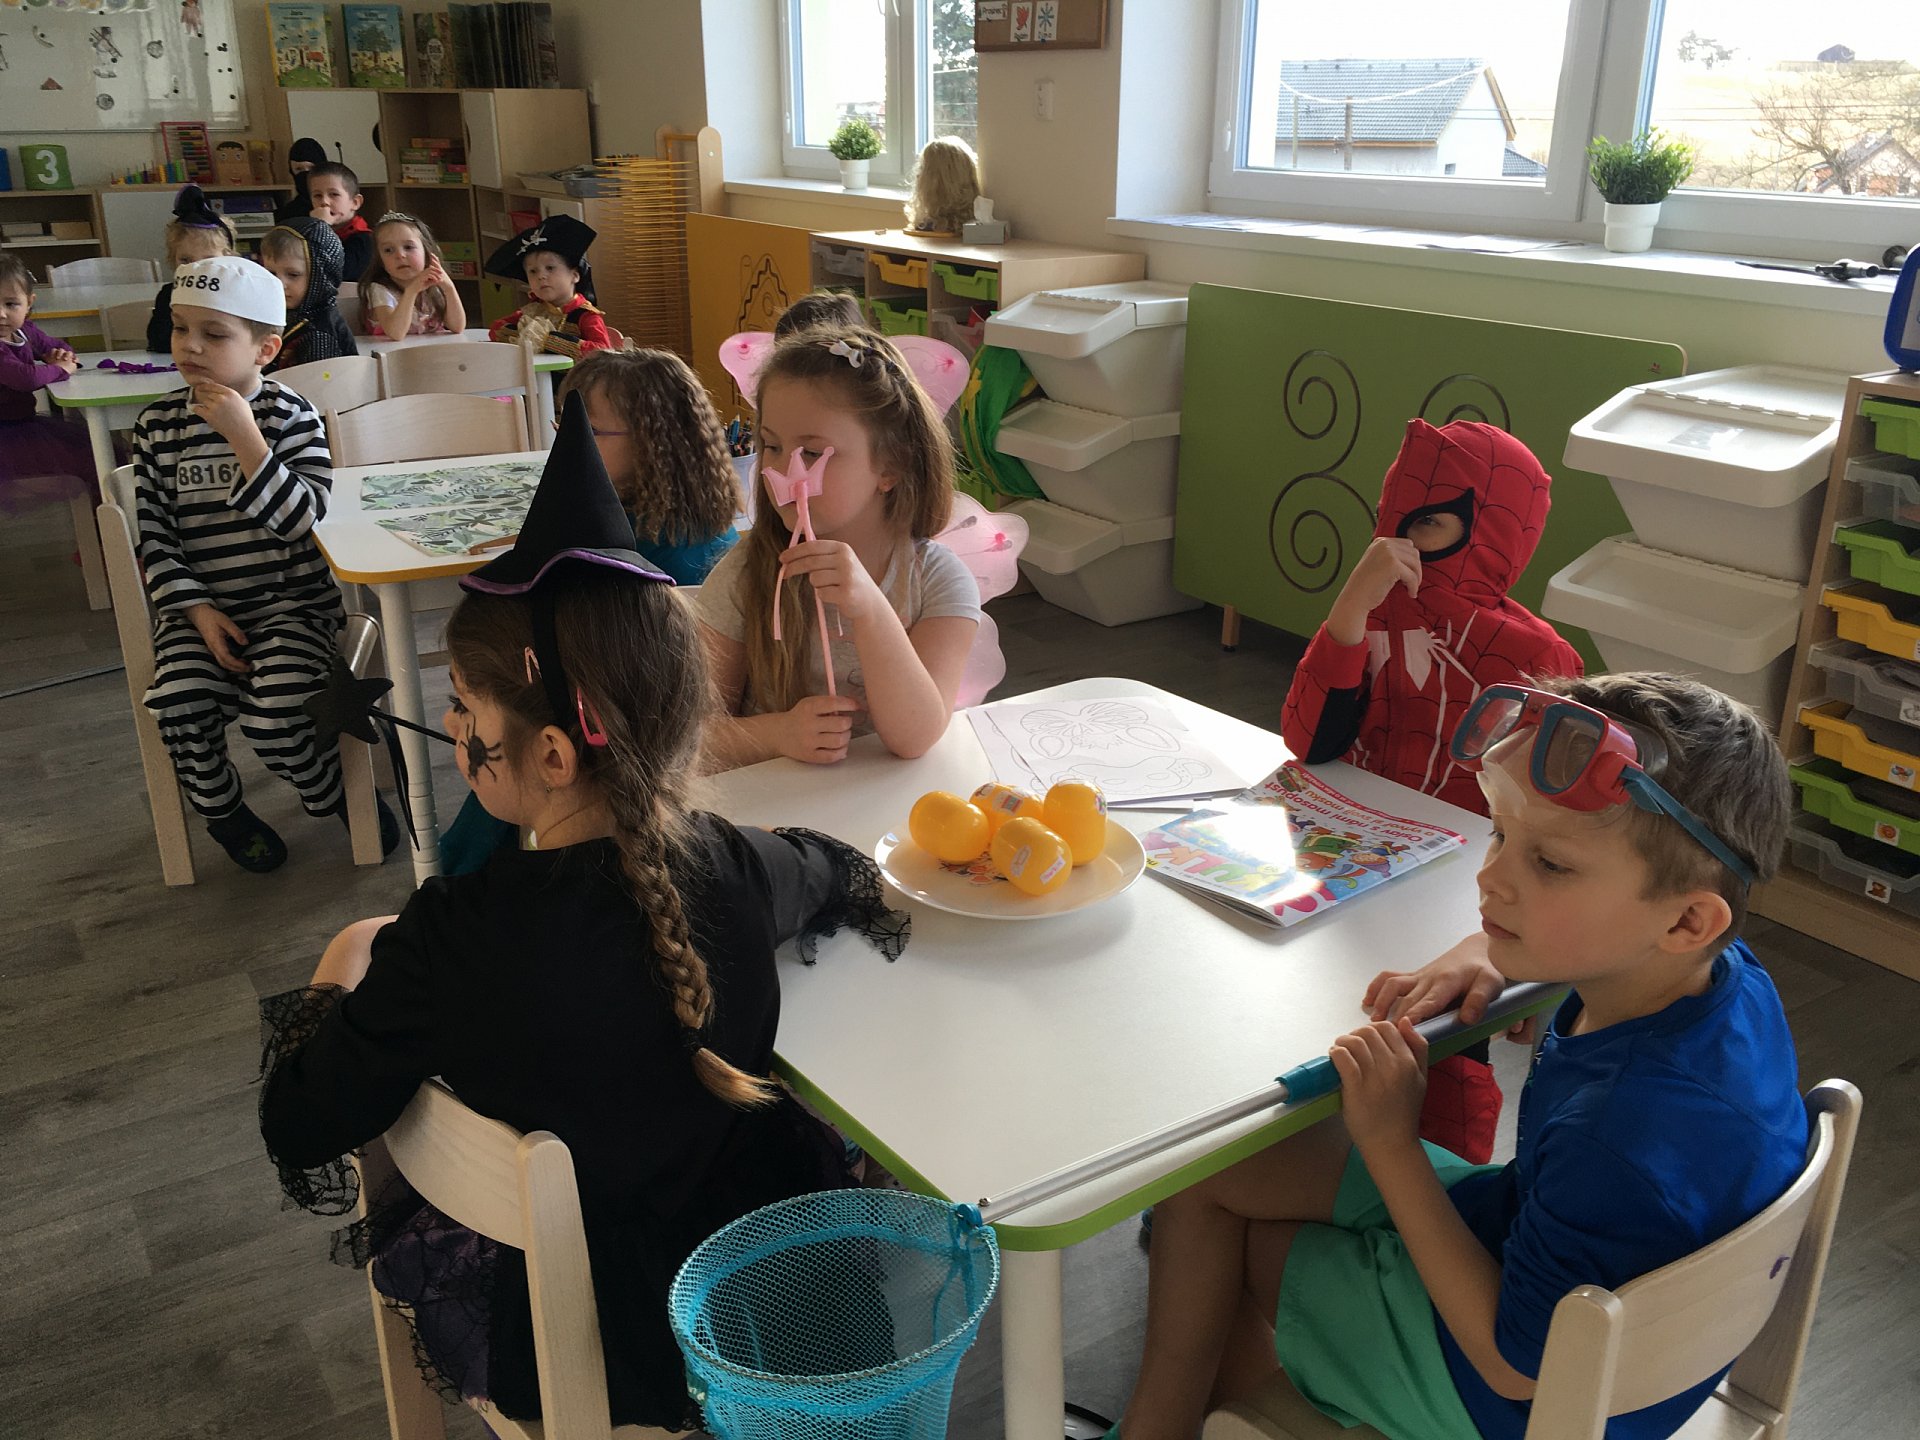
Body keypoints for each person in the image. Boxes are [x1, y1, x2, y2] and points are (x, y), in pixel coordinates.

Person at [257, 395, 909, 1430]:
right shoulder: (733, 866)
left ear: (554, 755)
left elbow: (298, 1118)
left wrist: (345, 967)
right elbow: (833, 870)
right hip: (752, 1302)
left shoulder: (453, 937)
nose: (452, 728)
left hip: (583, 1336)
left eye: (464, 707)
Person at [1112, 671, 1807, 1440]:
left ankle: (1185, 1424)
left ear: (1686, 922)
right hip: (1566, 1289)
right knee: (1220, 1166)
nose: (1490, 874)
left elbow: (1516, 1367)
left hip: (1519, 1400)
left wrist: (1392, 1145)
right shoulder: (1719, 977)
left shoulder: (1618, 1136)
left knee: (1241, 1232)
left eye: (1550, 864)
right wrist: (1490, 948)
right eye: (1503, 834)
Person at [1282, 419, 1585, 1162]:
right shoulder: (1372, 612)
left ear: (1493, 528)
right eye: (1393, 523)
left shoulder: (1539, 657)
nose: (1401, 547)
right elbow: (1309, 741)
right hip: (1347, 856)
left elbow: (1555, 820)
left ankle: (1436, 1182)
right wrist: (1347, 613)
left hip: (1461, 888)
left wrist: (1531, 949)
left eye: (1429, 523)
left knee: (1438, 1039)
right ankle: (1297, 1154)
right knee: (1305, 999)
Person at [135, 256, 394, 871]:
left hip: (293, 608)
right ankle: (223, 811)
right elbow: (155, 538)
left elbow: (302, 518)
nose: (190, 346)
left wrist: (246, 438)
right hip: (200, 614)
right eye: (180, 328)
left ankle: (330, 794)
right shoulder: (157, 426)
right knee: (179, 703)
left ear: (266, 349)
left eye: (214, 334)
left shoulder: (291, 416)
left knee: (280, 715)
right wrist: (198, 613)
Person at [695, 323, 982, 768]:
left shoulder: (938, 582)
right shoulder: (749, 574)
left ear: (890, 466)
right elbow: (689, 737)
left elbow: (915, 737)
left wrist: (869, 608)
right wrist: (778, 734)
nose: (784, 471)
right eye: (771, 445)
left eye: (812, 453)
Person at [0, 251, 94, 516]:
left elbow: (61, 347)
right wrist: (59, 369)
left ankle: (96, 530)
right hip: (5, 432)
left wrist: (60, 356)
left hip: (24, 424)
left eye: (11, 304)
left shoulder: (25, 331)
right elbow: (25, 378)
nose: (1, 314)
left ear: (29, 303)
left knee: (91, 460)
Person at [483, 214, 612, 360]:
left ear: (575, 276)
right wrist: (526, 334)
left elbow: (603, 352)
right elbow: (496, 328)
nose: (541, 276)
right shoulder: (534, 310)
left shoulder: (586, 316)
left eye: (550, 268)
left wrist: (549, 341)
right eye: (533, 271)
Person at [145, 184, 238, 353]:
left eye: (208, 260)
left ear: (228, 258)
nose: (196, 268)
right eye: (185, 260)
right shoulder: (169, 295)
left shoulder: (236, 293)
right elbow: (158, 342)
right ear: (173, 259)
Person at [259, 218, 358, 373]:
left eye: (293, 275)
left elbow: (318, 386)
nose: (279, 284)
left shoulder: (318, 335)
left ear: (321, 277)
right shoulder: (293, 314)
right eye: (271, 273)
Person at [359, 210, 466, 338]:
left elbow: (457, 326)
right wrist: (411, 291)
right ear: (380, 260)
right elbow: (396, 333)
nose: (400, 255)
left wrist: (449, 288)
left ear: (426, 252)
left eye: (408, 247)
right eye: (388, 250)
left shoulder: (433, 286)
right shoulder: (379, 290)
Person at [304, 161, 372, 279]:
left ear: (355, 202)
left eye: (334, 194)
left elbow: (336, 275)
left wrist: (322, 228)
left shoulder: (365, 240)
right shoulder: (307, 234)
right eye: (317, 195)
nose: (324, 202)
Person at [271, 137, 327, 226]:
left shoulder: (337, 207)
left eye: (311, 168)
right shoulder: (287, 214)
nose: (305, 173)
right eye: (299, 169)